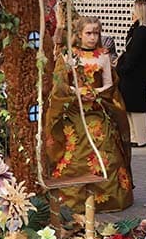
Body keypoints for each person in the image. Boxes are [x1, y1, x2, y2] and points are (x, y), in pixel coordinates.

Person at [42, 16, 133, 212]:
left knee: (105, 149)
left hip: (97, 111)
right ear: (79, 34)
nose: (93, 37)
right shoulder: (68, 56)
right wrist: (77, 92)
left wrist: (96, 93)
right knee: (73, 152)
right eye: (89, 33)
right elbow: (60, 85)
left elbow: (109, 84)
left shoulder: (103, 56)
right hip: (74, 112)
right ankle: (71, 199)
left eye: (96, 33)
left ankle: (107, 198)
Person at [116, 0, 146, 147]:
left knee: (136, 106)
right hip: (137, 74)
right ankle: (134, 136)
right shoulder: (142, 30)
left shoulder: (142, 32)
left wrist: (122, 68)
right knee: (130, 106)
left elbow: (134, 54)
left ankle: (139, 137)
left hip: (135, 75)